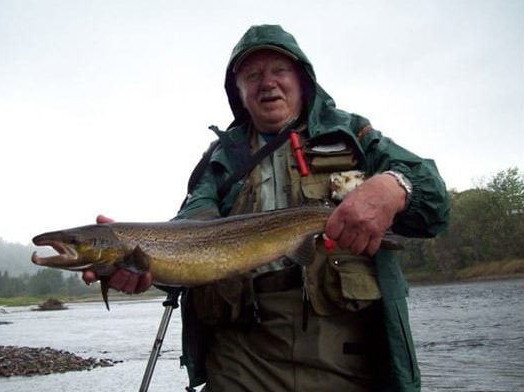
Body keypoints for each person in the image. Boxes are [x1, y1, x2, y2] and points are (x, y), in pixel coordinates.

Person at [84, 24, 449, 392]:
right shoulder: (218, 164)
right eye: (253, 75)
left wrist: (395, 187)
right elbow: (185, 236)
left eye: (279, 71)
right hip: (242, 357)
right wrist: (135, 259)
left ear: (302, 79)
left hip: (347, 351)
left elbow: (435, 208)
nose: (267, 83)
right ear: (239, 92)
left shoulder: (354, 135)